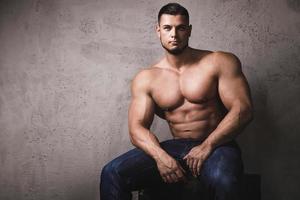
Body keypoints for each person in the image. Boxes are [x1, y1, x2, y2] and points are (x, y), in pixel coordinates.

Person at [100, 3, 253, 200]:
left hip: (217, 145)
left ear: (189, 31)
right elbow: (136, 128)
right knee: (112, 173)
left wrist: (207, 146)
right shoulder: (147, 78)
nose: (174, 34)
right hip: (174, 147)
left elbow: (243, 109)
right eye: (167, 28)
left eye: (180, 28)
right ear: (158, 31)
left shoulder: (219, 62)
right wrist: (160, 157)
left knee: (223, 179)